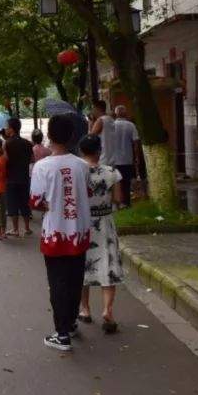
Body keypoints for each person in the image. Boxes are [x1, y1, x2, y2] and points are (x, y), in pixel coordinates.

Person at [29, 113, 92, 351]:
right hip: (78, 233)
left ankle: (62, 333)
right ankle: (71, 322)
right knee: (75, 280)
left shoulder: (42, 167)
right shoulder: (82, 165)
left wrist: (49, 201)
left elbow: (35, 201)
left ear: (49, 135)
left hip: (55, 233)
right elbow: (86, 193)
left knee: (57, 282)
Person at [77, 134, 124, 333]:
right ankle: (108, 310)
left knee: (82, 266)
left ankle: (85, 309)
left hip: (84, 223)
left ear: (81, 151)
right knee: (108, 265)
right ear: (100, 150)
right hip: (105, 222)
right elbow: (118, 198)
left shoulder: (78, 172)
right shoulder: (112, 172)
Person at [3, 117, 34, 237]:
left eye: (7, 127)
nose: (5, 129)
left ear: (11, 129)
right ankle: (27, 228)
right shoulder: (27, 143)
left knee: (12, 203)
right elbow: (32, 159)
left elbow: (6, 160)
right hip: (24, 177)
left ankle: (15, 229)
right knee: (25, 202)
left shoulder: (7, 143)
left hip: (11, 178)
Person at [109, 105, 140, 208]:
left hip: (114, 160)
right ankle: (126, 203)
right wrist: (136, 157)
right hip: (127, 159)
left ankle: (117, 203)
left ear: (116, 113)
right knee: (126, 183)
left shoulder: (112, 125)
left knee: (116, 182)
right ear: (125, 113)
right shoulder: (131, 125)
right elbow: (136, 142)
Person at [88, 99, 115, 166]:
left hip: (103, 159)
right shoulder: (111, 119)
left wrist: (90, 123)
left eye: (93, 108)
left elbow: (89, 139)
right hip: (113, 158)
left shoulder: (100, 120)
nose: (92, 111)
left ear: (97, 108)